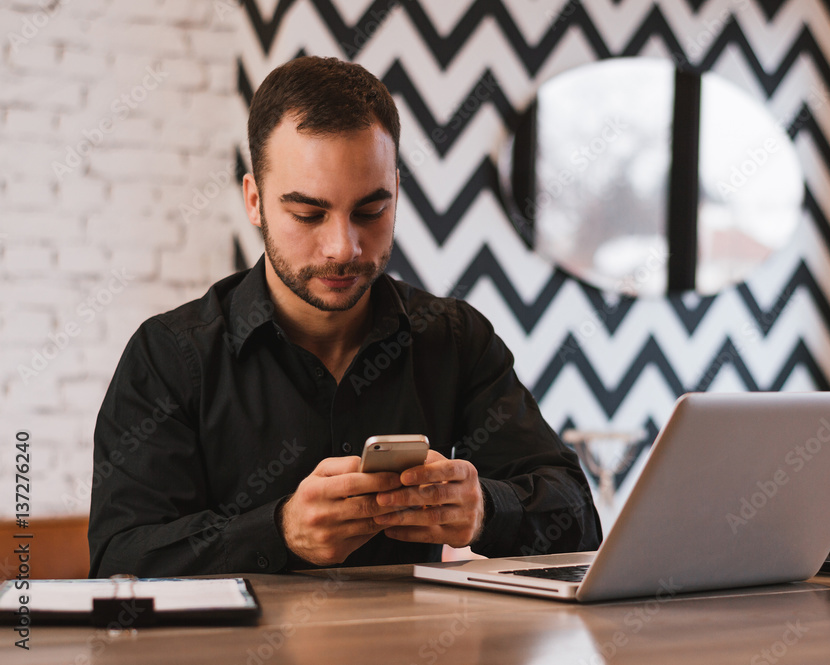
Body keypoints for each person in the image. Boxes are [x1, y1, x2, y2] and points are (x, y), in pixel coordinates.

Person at [88, 56, 602, 577]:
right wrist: (281, 532)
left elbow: (579, 517)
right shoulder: (170, 357)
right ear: (254, 201)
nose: (343, 247)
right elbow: (119, 564)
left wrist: (485, 510)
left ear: (396, 193)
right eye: (308, 214)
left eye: (370, 211)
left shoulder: (453, 339)